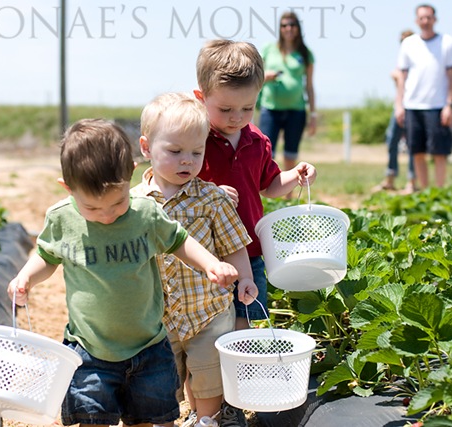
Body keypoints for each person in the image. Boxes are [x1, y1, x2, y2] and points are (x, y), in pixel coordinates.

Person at [7, 118, 240, 427]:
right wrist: (26, 277)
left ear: (131, 173)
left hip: (149, 346)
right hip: (90, 349)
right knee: (92, 418)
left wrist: (211, 264)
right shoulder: (62, 219)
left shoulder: (145, 213)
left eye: (118, 202)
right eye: (92, 208)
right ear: (67, 187)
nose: (107, 215)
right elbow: (47, 256)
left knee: (149, 417)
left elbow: (179, 241)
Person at [193, 38, 317, 427]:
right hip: (204, 256)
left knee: (243, 326)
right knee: (204, 332)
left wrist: (295, 176)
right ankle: (204, 406)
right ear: (201, 98)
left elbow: (269, 185)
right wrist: (210, 192)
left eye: (247, 108)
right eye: (225, 109)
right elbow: (177, 186)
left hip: (250, 252)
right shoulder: (194, 141)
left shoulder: (257, 140)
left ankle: (235, 402)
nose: (237, 117)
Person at [131, 92, 259, 427]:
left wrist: (245, 278)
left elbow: (233, 245)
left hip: (208, 309)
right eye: (175, 152)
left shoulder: (212, 199)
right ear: (146, 148)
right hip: (156, 316)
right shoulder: (134, 204)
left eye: (196, 152)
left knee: (208, 375)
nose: (187, 161)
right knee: (161, 379)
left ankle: (207, 420)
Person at [395, 4, 452, 189]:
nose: (425, 21)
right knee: (417, 152)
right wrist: (399, 105)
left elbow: (451, 76)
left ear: (435, 19)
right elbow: (402, 77)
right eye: (422, 18)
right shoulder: (408, 44)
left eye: (428, 17)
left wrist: (449, 104)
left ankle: (438, 192)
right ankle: (424, 192)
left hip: (437, 105)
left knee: (439, 152)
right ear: (416, 20)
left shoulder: (447, 42)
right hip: (412, 105)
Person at [258, 11, 317, 186]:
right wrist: (266, 75)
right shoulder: (268, 49)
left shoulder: (305, 53)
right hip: (270, 108)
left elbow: (310, 86)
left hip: (296, 110)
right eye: (284, 25)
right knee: (267, 153)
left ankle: (288, 193)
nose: (288, 28)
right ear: (280, 28)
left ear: (298, 28)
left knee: (291, 154)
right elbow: (254, 75)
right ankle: (267, 190)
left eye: (292, 25)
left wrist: (313, 115)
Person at [376, 29, 416, 193]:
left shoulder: (417, 62)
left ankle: (412, 181)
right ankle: (390, 178)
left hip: (413, 107)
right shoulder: (401, 60)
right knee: (392, 140)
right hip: (398, 107)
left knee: (413, 145)